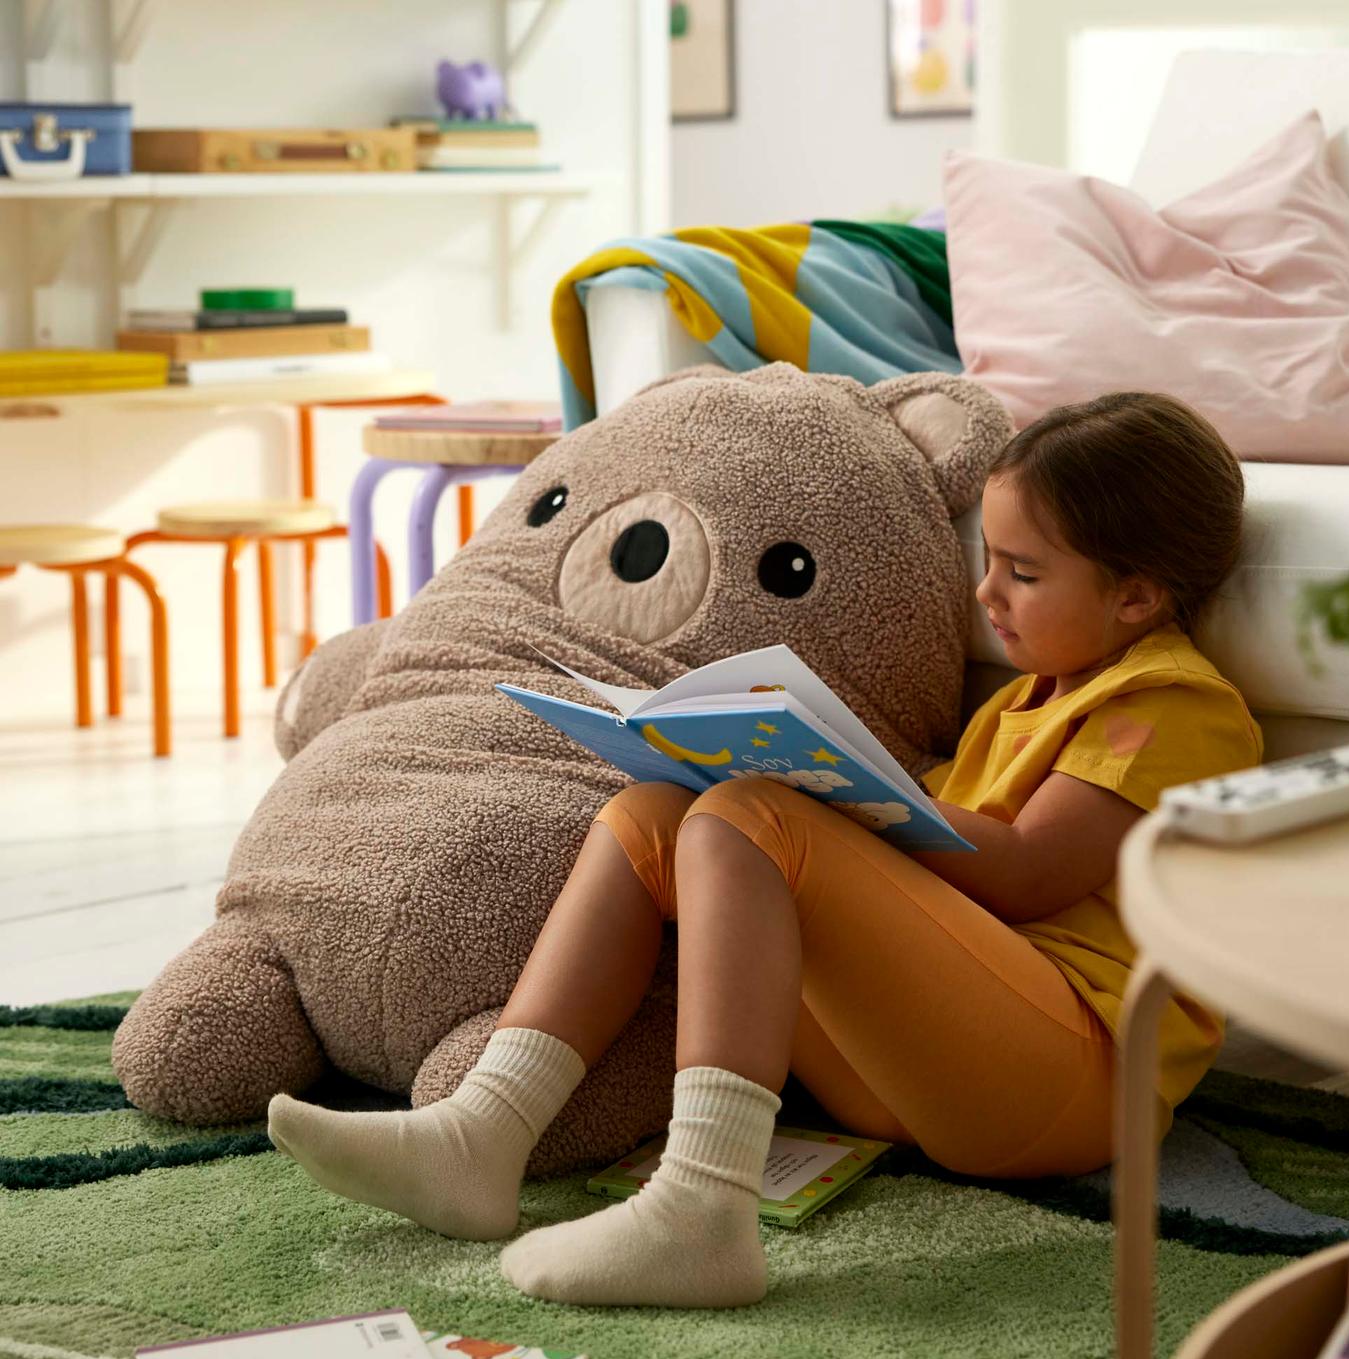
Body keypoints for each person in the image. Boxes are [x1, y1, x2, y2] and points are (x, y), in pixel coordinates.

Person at [268, 390, 1263, 1310]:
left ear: (1134, 598)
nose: (984, 594)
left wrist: (838, 796)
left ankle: (700, 1207)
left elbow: (1026, 872)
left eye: (1022, 572)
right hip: (925, 1073)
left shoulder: (1168, 704)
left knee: (758, 815)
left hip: (1073, 1079)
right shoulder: (1018, 700)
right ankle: (483, 1132)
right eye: (987, 561)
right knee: (660, 808)